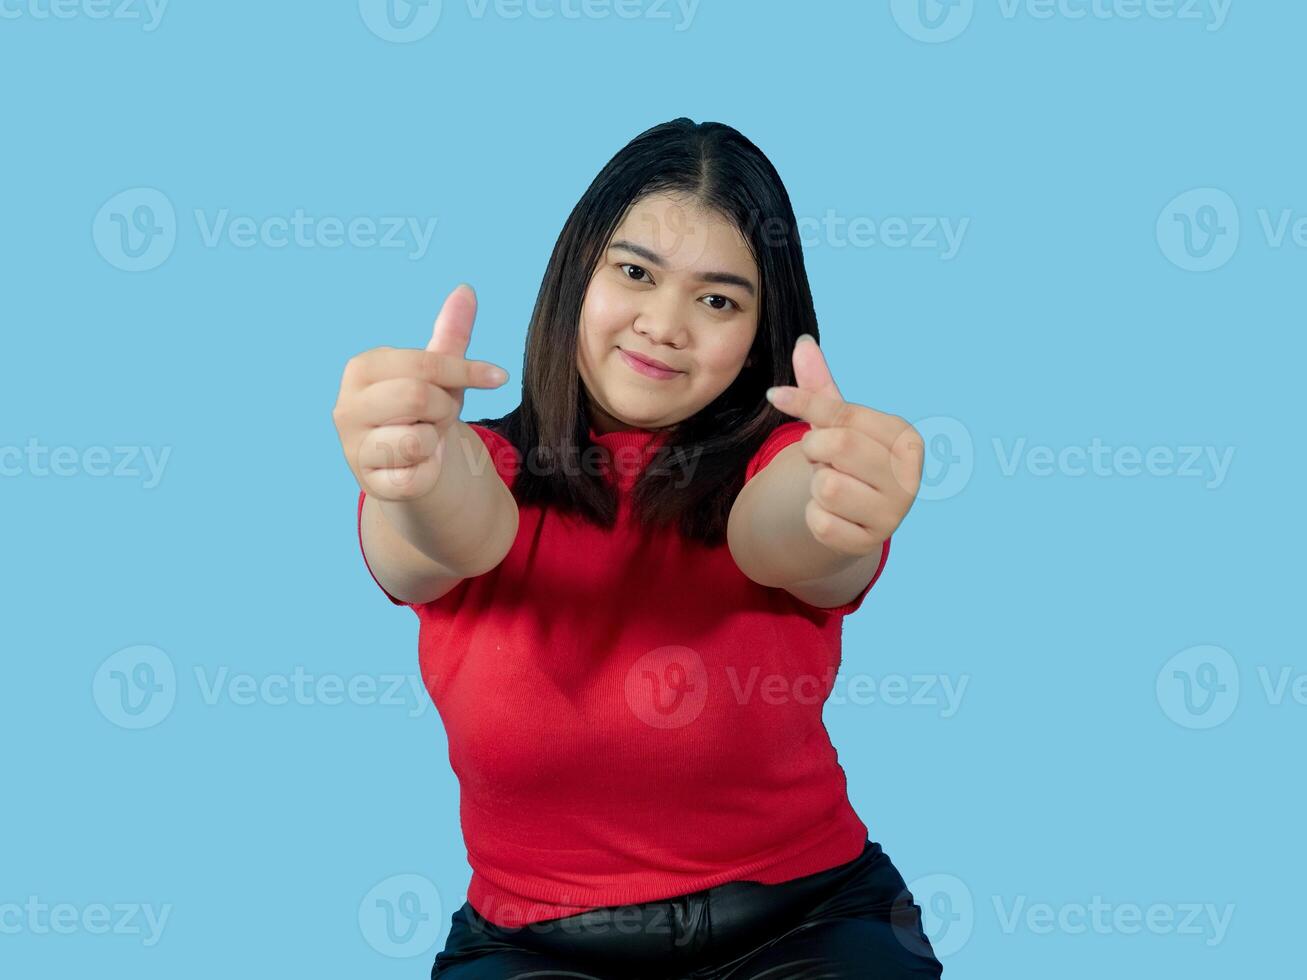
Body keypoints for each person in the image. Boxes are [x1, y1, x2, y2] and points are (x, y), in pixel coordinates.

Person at [332, 117, 940, 979]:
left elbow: (788, 536)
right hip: (532, 948)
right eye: (634, 273)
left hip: (807, 916)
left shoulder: (781, 471)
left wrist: (837, 502)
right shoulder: (484, 469)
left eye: (718, 299)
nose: (664, 324)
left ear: (763, 330)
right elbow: (448, 531)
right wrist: (413, 474)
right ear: (578, 271)